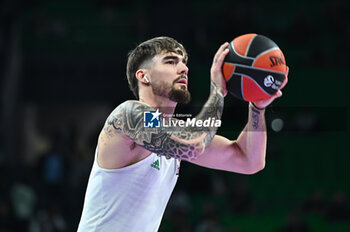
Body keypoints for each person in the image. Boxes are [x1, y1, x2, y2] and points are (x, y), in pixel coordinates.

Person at [77, 36, 288, 231]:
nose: (183, 68)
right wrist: (217, 92)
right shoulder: (129, 115)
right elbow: (193, 145)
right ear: (144, 76)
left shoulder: (176, 132)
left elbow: (249, 161)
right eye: (170, 61)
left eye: (183, 62)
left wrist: (257, 108)